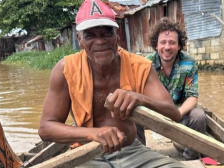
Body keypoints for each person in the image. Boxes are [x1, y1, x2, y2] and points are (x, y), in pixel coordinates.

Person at [38, 0, 188, 167]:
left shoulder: (139, 66)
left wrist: (139, 99)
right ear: (80, 40)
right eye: (90, 35)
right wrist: (93, 134)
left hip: (131, 150)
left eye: (106, 33)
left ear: (117, 35)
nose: (100, 41)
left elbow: (174, 115)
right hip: (87, 154)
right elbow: (46, 128)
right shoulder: (65, 69)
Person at [145, 18, 207, 160]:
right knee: (131, 113)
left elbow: (192, 97)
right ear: (156, 45)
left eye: (172, 42)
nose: (167, 47)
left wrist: (177, 114)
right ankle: (141, 157)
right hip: (152, 114)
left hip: (179, 113)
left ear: (179, 46)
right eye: (163, 42)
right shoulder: (146, 64)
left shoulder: (189, 64)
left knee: (199, 116)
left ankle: (190, 159)